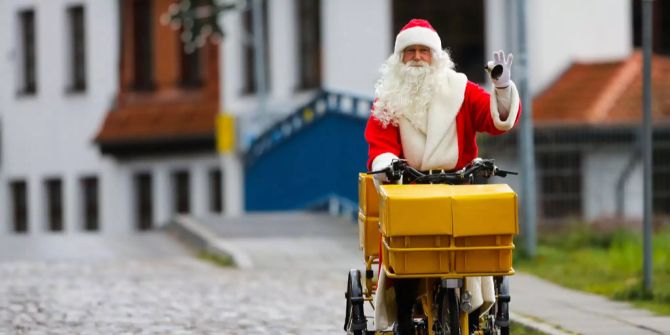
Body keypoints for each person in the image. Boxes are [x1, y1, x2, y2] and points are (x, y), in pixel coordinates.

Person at [364, 19, 521, 334]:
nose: (418, 57)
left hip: (457, 184)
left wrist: (502, 89)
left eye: (424, 50)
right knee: (406, 252)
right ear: (400, 58)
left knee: (473, 250)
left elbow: (495, 120)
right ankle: (406, 310)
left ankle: (472, 310)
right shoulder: (389, 99)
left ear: (436, 56)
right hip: (410, 189)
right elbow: (379, 145)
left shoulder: (460, 88)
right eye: (410, 52)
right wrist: (389, 163)